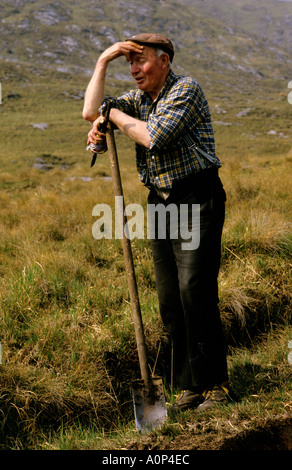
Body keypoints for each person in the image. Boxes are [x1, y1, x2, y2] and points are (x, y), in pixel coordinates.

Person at [83, 33, 230, 412]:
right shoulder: (139, 100)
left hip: (197, 197)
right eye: (128, 62)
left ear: (164, 61)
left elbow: (155, 137)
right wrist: (103, 61)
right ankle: (190, 386)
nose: (133, 70)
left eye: (141, 60)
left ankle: (216, 385)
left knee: (194, 290)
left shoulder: (186, 90)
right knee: (169, 300)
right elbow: (89, 110)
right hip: (161, 203)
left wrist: (110, 114)